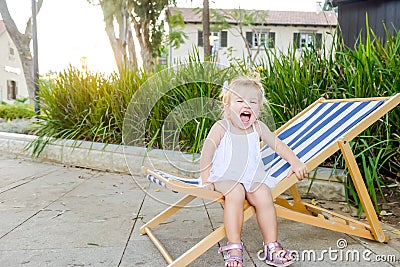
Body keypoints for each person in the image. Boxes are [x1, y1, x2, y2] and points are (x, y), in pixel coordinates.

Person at [200, 76, 308, 267]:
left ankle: (271, 246)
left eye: (253, 102)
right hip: (224, 176)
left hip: (251, 176)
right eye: (240, 101)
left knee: (264, 195)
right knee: (236, 192)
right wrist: (206, 179)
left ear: (259, 109)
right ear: (227, 107)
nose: (247, 105)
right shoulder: (221, 127)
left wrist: (295, 162)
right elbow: (207, 152)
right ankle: (234, 246)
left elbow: (278, 145)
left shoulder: (258, 127)